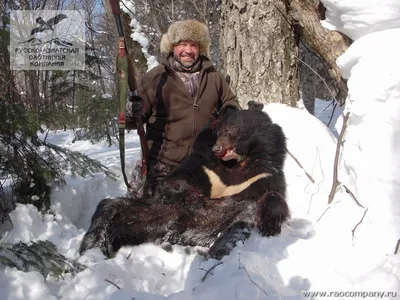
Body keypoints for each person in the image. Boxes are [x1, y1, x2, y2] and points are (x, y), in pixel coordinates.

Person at [126, 19, 241, 196]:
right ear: (172, 46)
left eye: (193, 45)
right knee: (140, 213)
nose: (188, 50)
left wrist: (230, 122)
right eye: (182, 44)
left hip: (202, 164)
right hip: (161, 164)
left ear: (200, 48)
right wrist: (130, 111)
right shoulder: (156, 78)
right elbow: (130, 122)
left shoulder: (213, 77)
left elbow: (231, 106)